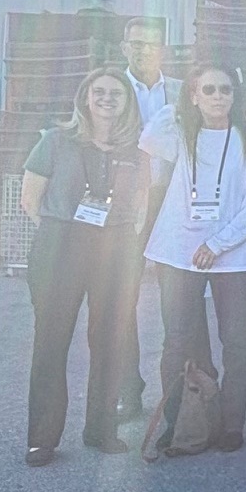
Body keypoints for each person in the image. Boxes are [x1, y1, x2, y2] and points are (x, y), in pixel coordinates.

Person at [20, 68, 150, 465]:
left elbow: (142, 206)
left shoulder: (136, 152)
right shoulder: (56, 141)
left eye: (117, 93)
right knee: (50, 342)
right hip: (61, 244)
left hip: (116, 248)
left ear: (128, 102)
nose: (107, 99)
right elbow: (31, 199)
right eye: (100, 92)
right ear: (85, 97)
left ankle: (100, 428)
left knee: (110, 341)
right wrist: (63, 237)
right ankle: (42, 437)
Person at [142, 65, 246, 453]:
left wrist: (218, 243)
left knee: (235, 342)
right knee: (178, 342)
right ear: (195, 96)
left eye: (225, 90)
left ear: (235, 95)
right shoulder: (182, 134)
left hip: (233, 256)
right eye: (208, 90)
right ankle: (179, 422)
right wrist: (179, 102)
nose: (218, 96)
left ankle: (231, 424)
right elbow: (148, 137)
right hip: (179, 252)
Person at [116, 16, 178, 420]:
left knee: (178, 298)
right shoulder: (109, 90)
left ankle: (180, 388)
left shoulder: (181, 92)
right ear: (124, 47)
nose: (143, 51)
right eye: (136, 44)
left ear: (163, 50)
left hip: (171, 203)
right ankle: (128, 388)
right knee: (122, 300)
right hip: (125, 206)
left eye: (151, 44)